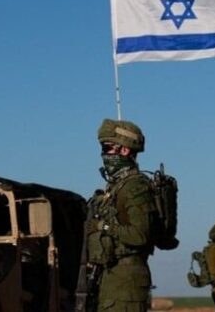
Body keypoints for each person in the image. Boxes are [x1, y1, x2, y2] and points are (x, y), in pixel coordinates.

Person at [85, 118, 157, 312]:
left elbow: (139, 235)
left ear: (124, 150)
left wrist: (104, 227)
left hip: (127, 283)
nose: (103, 154)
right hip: (113, 277)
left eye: (108, 148)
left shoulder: (135, 187)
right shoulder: (117, 187)